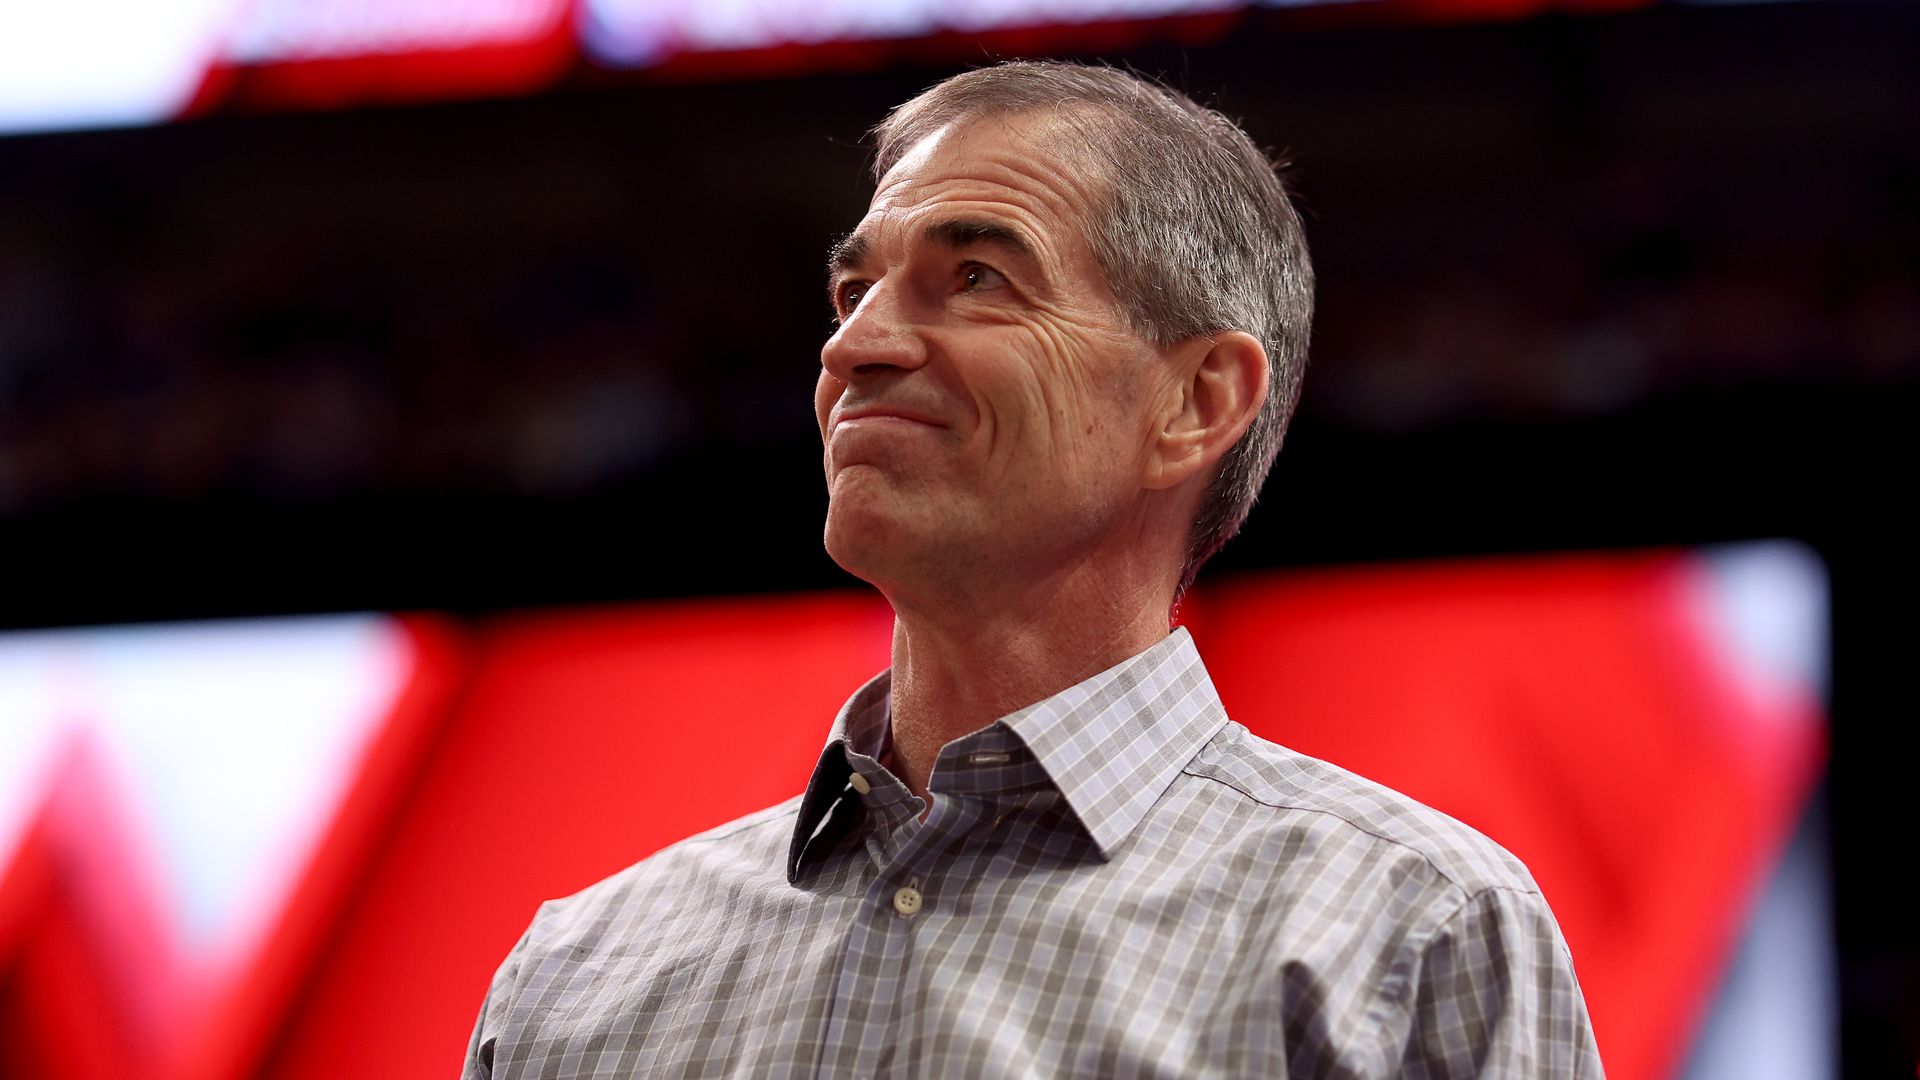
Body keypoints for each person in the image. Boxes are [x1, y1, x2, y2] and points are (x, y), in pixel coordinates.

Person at [463, 61, 1603, 1079]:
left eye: (976, 280)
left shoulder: (1412, 935)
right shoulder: (574, 983)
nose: (853, 346)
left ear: (1195, 403)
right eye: (853, 290)